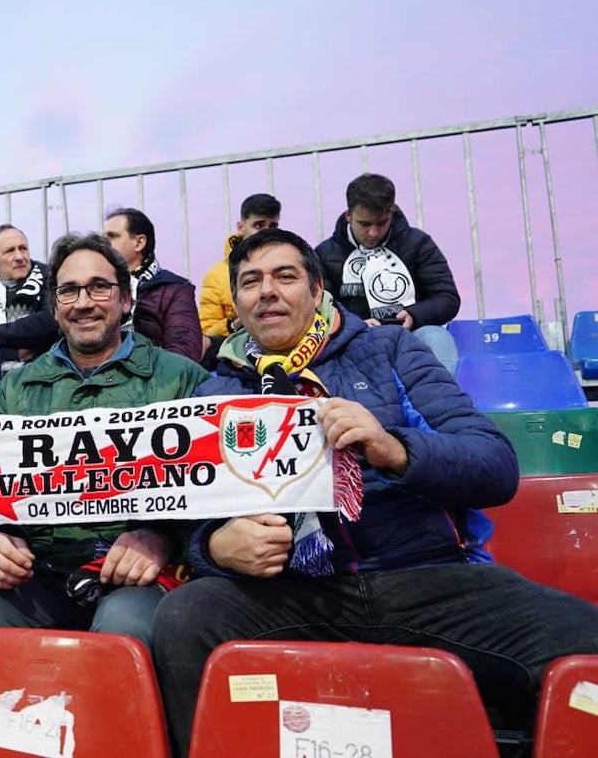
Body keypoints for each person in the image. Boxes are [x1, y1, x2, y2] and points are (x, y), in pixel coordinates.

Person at [151, 228, 598, 755]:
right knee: (186, 617)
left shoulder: (389, 350)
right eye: (250, 282)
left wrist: (395, 449)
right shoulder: (216, 391)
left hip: (431, 580)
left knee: (586, 642)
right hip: (298, 593)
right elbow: (191, 514)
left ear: (317, 291)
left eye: (284, 276)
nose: (266, 291)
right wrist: (216, 547)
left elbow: (494, 466)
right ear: (238, 303)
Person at [0, 232, 210, 670]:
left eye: (99, 286)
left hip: (137, 580)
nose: (84, 302)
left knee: (124, 625)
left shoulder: (184, 381)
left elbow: (216, 497)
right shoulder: (14, 388)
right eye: (69, 290)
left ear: (126, 300)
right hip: (38, 576)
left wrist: (163, 540)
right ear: (55, 306)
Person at [315, 173, 460, 368]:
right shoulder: (324, 253)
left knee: (437, 338)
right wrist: (354, 324)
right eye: (365, 224)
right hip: (353, 338)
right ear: (348, 215)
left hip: (413, 333)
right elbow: (321, 305)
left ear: (392, 212)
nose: (373, 233)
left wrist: (414, 315)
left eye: (382, 222)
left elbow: (447, 297)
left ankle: (446, 398)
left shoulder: (418, 243)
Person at [103, 207, 208, 364]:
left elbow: (184, 352)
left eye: (112, 236)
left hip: (155, 381)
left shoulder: (175, 289)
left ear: (139, 242)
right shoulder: (96, 288)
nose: (104, 243)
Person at [199, 193, 281, 341]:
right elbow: (207, 331)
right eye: (259, 225)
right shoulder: (216, 276)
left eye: (273, 226)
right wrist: (238, 322)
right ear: (241, 227)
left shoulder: (291, 267)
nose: (267, 232)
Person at [0, 224, 57, 370]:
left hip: (47, 374)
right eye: (9, 251)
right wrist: (12, 352)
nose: (19, 257)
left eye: (23, 248)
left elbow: (51, 320)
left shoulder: (51, 280)